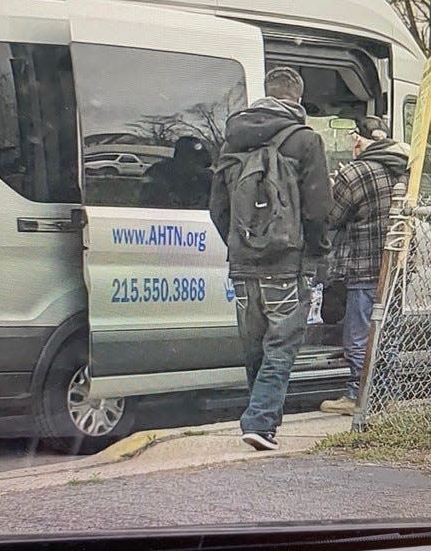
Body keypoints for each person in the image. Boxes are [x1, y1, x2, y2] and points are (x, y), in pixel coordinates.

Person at [209, 67, 332, 451]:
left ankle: (260, 419)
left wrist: (241, 243)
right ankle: (260, 422)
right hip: (286, 261)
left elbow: (217, 208)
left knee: (255, 345)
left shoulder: (233, 140)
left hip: (243, 264)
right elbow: (318, 209)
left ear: (266, 93)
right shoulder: (305, 141)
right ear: (297, 98)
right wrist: (318, 254)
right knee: (281, 345)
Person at [320, 116, 409, 415]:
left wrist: (332, 185)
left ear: (358, 139)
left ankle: (358, 396)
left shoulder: (356, 172)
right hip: (398, 267)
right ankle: (386, 395)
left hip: (364, 266)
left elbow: (332, 217)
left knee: (358, 336)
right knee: (388, 334)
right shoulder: (404, 168)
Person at [140, 136, 212, 209]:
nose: (198, 168)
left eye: (201, 164)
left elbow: (216, 208)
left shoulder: (206, 180)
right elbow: (147, 205)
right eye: (192, 161)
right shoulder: (158, 173)